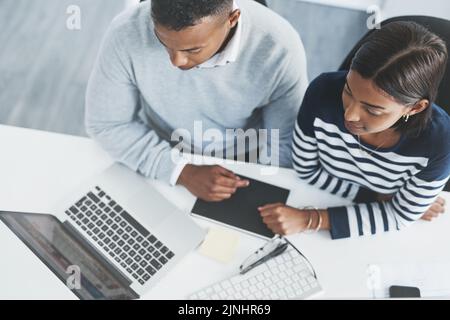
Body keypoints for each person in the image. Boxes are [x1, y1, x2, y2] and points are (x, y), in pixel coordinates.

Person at [85, 0, 308, 202]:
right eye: (163, 42)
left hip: (244, 162)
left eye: (193, 49)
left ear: (232, 19)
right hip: (160, 147)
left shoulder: (280, 48)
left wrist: (256, 193)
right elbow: (107, 124)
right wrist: (181, 170)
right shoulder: (126, 32)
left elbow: (283, 142)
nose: (176, 61)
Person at [259, 21, 450, 239]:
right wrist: (378, 198)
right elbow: (306, 170)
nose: (349, 115)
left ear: (415, 107)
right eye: (348, 90)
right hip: (317, 194)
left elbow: (399, 217)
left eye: (373, 109)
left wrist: (311, 219)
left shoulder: (440, 143)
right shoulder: (322, 92)